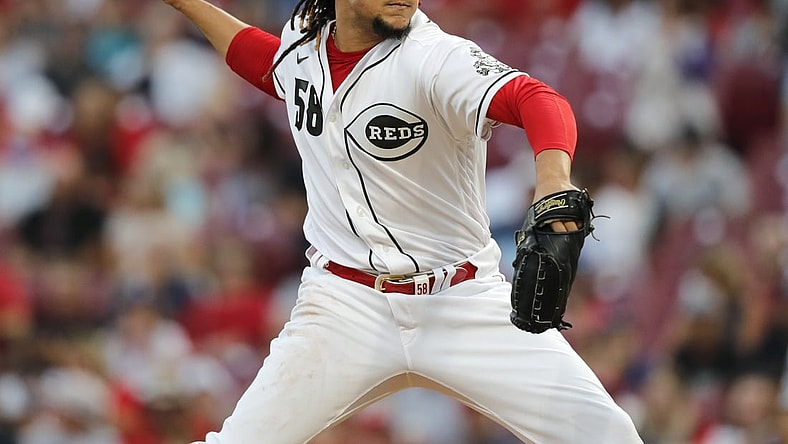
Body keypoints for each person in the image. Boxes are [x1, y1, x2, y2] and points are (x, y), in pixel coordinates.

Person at [160, 0, 644, 442]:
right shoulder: (304, 49)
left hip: (461, 299)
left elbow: (537, 98)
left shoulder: (434, 57)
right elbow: (267, 64)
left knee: (608, 434)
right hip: (342, 307)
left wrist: (554, 179)